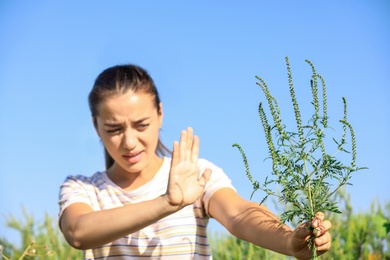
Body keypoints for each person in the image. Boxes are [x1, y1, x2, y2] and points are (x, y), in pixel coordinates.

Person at [59, 64, 332, 259]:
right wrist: (166, 203)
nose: (129, 142)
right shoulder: (83, 189)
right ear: (96, 126)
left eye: (141, 125)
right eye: (114, 129)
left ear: (160, 114)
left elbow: (238, 214)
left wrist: (288, 241)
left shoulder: (194, 174)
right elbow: (78, 232)